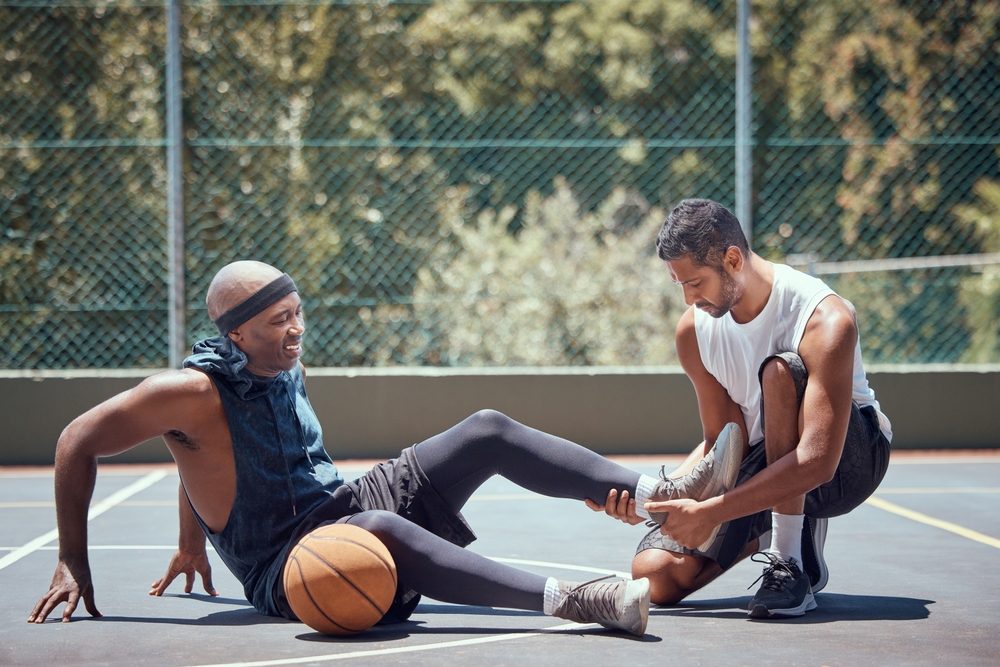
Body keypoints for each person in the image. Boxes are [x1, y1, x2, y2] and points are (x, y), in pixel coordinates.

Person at [28, 260, 744, 636]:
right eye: (279, 321)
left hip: (341, 502)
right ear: (234, 333)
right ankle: (578, 601)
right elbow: (76, 438)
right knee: (374, 529)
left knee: (486, 427)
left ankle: (672, 496)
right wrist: (71, 556)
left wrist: (190, 541)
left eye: (298, 313)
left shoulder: (281, 362)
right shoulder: (188, 390)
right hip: (288, 561)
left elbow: (197, 458)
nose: (297, 329)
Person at [595, 199, 891, 618]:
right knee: (656, 575)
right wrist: (650, 497)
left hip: (848, 463)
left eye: (695, 283)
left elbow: (818, 461)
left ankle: (788, 560)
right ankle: (767, 524)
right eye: (678, 284)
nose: (687, 298)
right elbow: (724, 443)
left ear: (732, 259)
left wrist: (711, 513)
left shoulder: (823, 317)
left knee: (779, 373)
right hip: (764, 456)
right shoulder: (694, 332)